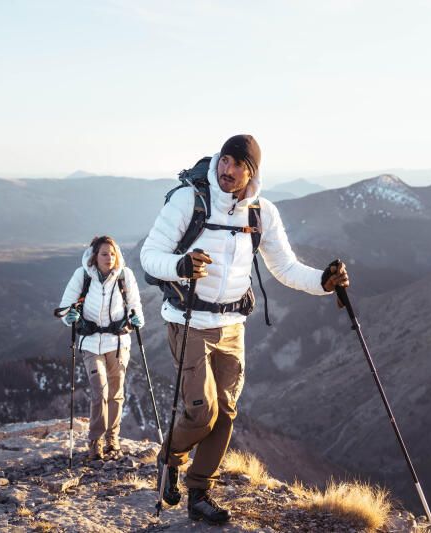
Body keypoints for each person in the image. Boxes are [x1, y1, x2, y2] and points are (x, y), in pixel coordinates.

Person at [141, 134, 349, 524]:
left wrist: (324, 282)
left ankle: (200, 492)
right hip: (190, 321)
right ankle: (170, 457)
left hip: (232, 325)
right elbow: (150, 256)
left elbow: (284, 267)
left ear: (251, 172)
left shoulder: (261, 213)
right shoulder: (190, 202)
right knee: (202, 412)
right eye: (224, 161)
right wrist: (181, 266)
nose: (228, 170)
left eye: (238, 165)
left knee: (226, 412)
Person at [59, 235, 144, 461]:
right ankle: (95, 441)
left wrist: (137, 320)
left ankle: (112, 438)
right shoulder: (83, 275)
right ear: (95, 256)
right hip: (91, 343)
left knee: (116, 394)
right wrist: (70, 317)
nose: (109, 258)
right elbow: (64, 308)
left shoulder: (125, 276)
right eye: (104, 254)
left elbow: (135, 305)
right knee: (100, 392)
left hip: (118, 343)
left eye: (113, 254)